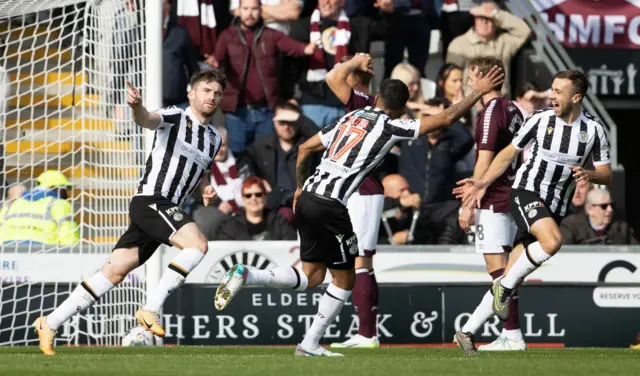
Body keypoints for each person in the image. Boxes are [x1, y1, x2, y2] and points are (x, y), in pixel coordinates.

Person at [211, 64, 505, 356]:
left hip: (309, 197)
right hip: (331, 206)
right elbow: (444, 119)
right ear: (400, 109)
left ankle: (248, 275)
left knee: (312, 276)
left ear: (376, 99)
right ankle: (310, 344)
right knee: (346, 278)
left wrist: (300, 187)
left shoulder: (352, 116)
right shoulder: (391, 124)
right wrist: (476, 92)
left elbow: (304, 149)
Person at [33, 70, 227, 356]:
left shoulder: (213, 139)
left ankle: (50, 322)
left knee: (113, 272)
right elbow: (147, 119)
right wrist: (136, 106)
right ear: (192, 93)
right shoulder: (176, 117)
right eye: (206, 90)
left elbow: (201, 172)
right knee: (197, 245)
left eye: (217, 93)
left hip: (165, 210)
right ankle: (150, 309)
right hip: (151, 200)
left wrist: (206, 190)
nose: (211, 96)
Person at [455, 70, 612, 354]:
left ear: (576, 97)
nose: (552, 95)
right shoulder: (539, 120)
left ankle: (466, 331)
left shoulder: (594, 130)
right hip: (526, 192)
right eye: (551, 89)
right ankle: (503, 293)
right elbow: (508, 153)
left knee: (511, 275)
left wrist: (590, 174)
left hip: (556, 206)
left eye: (558, 91)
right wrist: (483, 183)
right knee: (552, 242)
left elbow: (606, 173)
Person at [453, 57, 525, 353]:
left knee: (498, 271)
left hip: (494, 197)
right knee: (506, 271)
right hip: (513, 193)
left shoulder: (491, 111)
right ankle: (513, 335)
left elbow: (484, 158)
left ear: (485, 78)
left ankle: (512, 337)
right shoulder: (513, 108)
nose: (468, 82)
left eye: (472, 76)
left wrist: (469, 202)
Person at [325, 53, 382, 348]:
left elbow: (332, 77)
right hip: (357, 190)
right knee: (360, 262)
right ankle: (366, 332)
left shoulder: (363, 102)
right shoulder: (365, 102)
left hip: (365, 189)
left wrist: (354, 62)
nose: (368, 64)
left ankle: (367, 334)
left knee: (362, 262)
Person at [0, 172, 79, 246]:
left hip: (8, 251)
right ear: (56, 189)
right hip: (43, 252)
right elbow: (69, 236)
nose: (66, 195)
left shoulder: (12, 204)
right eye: (64, 190)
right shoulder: (60, 204)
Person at [214, 176, 297, 240]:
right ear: (243, 199)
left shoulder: (280, 222)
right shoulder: (230, 227)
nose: (253, 198)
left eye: (258, 194)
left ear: (265, 197)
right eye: (248, 195)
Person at [560, 188, 638, 245]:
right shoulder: (571, 226)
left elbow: (636, 252)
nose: (610, 209)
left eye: (612, 205)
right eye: (604, 206)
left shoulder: (621, 228)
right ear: (590, 209)